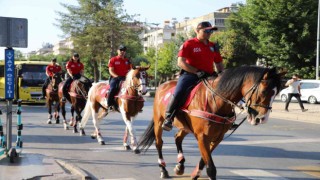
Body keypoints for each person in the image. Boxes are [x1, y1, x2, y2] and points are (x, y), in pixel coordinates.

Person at [162, 21, 225, 131]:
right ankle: (169, 117)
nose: (209, 33)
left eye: (210, 31)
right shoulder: (189, 44)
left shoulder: (213, 46)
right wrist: (197, 71)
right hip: (190, 75)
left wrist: (221, 75)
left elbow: (218, 63)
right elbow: (180, 62)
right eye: (206, 31)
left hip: (209, 76)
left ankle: (227, 118)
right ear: (197, 31)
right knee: (179, 91)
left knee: (226, 91)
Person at [107, 45, 132, 111]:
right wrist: (117, 76)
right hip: (115, 78)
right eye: (121, 50)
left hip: (125, 78)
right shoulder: (113, 59)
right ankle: (109, 105)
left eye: (124, 50)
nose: (122, 51)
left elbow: (131, 70)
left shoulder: (127, 61)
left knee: (134, 88)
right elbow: (111, 71)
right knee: (112, 89)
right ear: (118, 51)